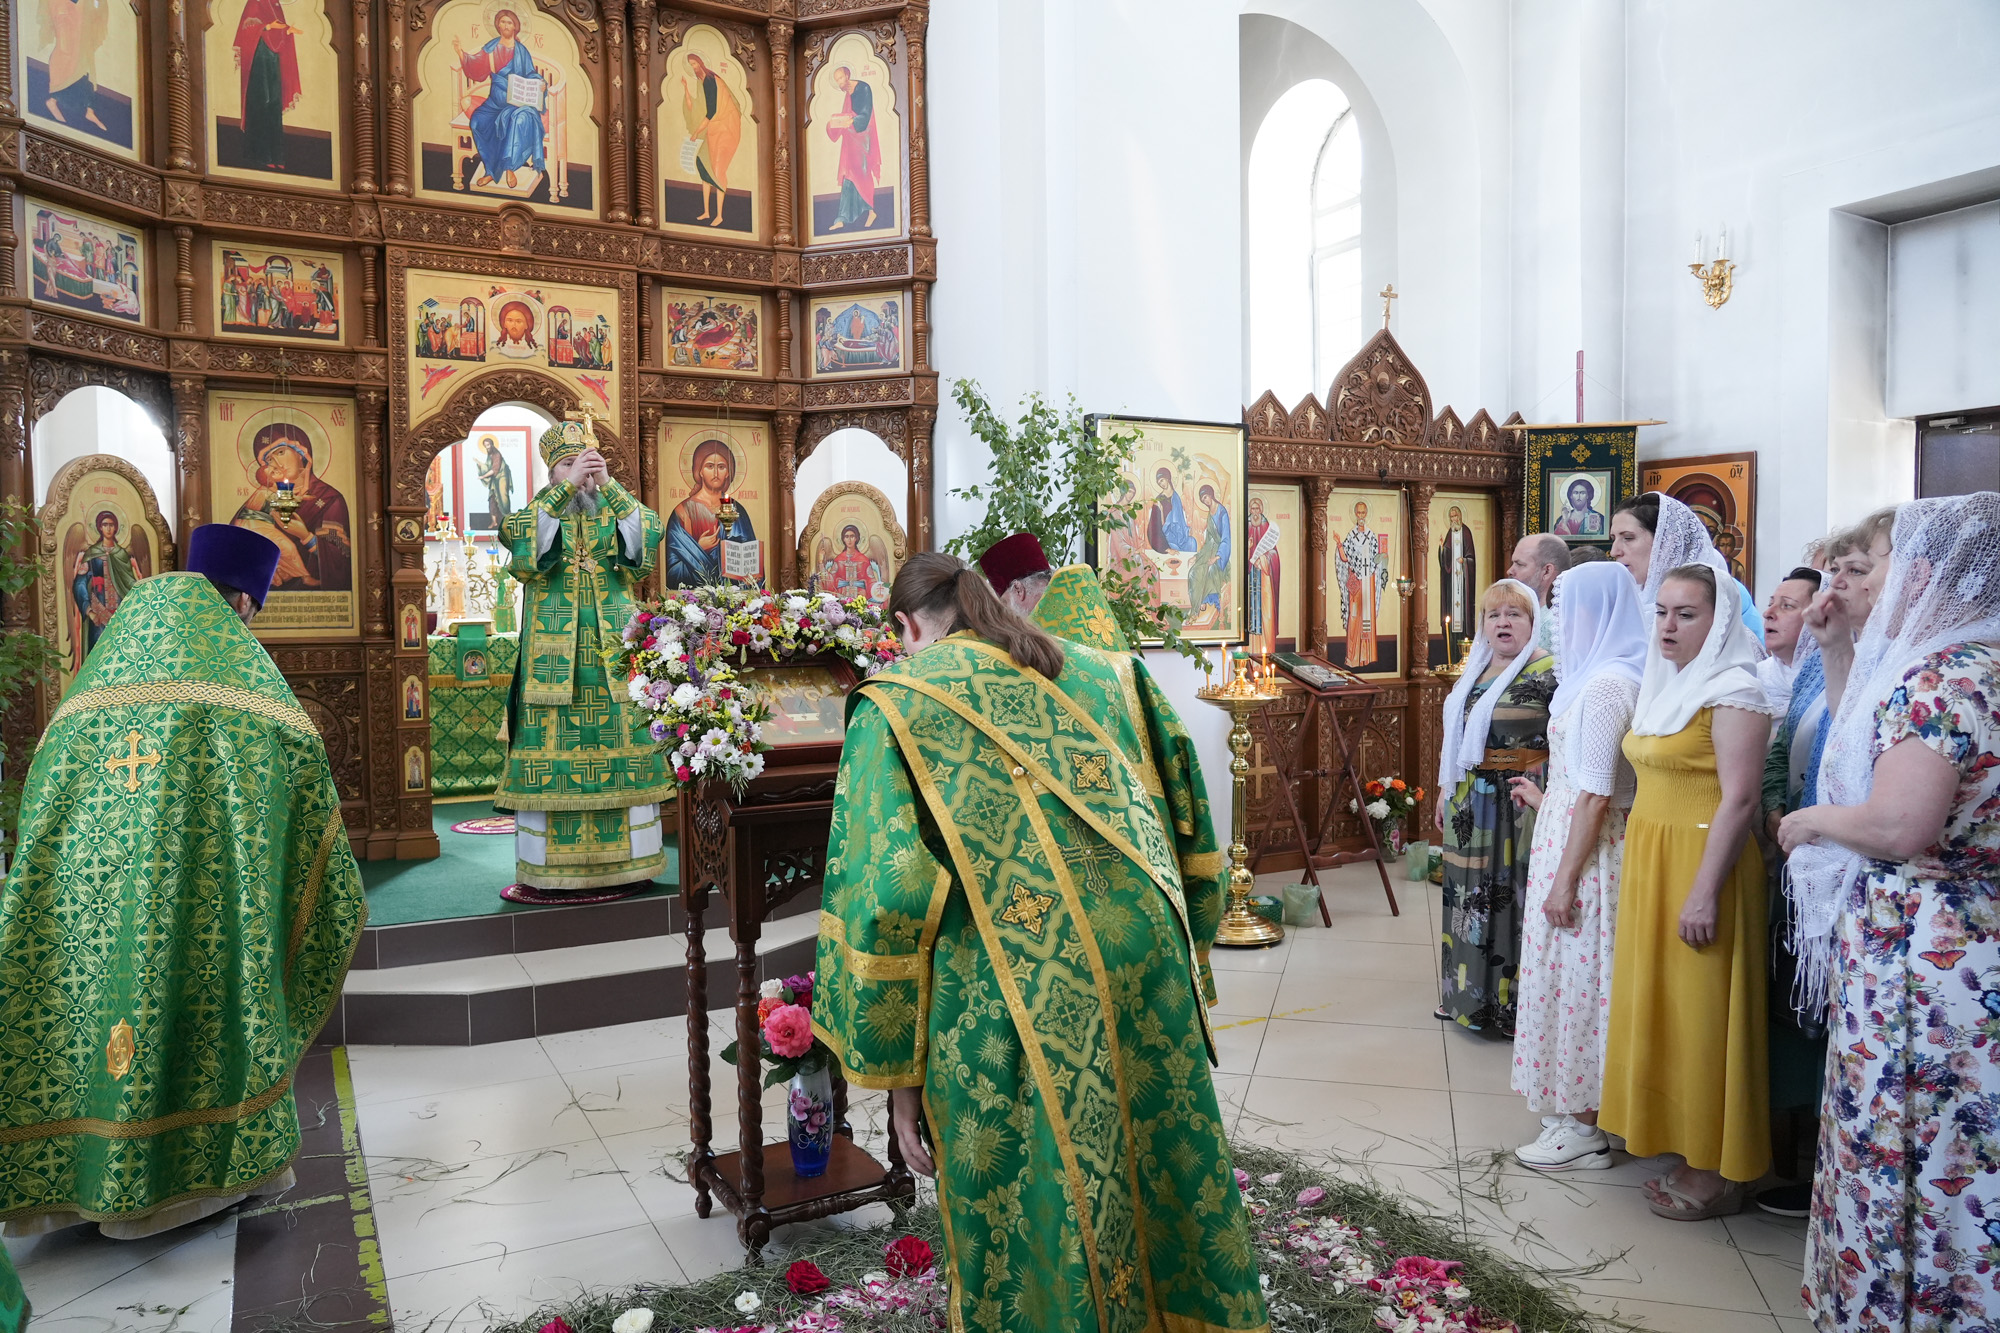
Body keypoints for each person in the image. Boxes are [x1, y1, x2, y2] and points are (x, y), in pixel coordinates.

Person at [814, 553, 1263, 1332]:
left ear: (908, 625)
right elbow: (1186, 809)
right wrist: (1190, 951)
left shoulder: (895, 703)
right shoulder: (1109, 671)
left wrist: (898, 1079)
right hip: (1144, 955)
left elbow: (890, 897)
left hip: (1017, 982)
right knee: (1159, 1158)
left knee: (1043, 1188)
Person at [0, 524, 364, 1240]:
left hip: (88, 910)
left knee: (87, 1003)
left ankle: (73, 1181)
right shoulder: (243, 691)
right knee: (195, 996)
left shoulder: (91, 689)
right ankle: (188, 1184)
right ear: (244, 603)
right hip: (196, 910)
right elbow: (301, 767)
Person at [1778, 494, 2000, 1332]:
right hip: (1976, 940)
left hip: (1923, 954)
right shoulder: (1981, 659)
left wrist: (1813, 821)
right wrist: (1835, 647)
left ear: (1927, 573)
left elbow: (1899, 823)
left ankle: (1901, 1307)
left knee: (1910, 1130)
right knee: (1964, 1141)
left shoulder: (1939, 678)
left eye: (1888, 562)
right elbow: (1860, 742)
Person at [1599, 556, 1775, 1218]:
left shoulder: (1735, 688)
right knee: (1665, 1008)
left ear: (1719, 619)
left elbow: (1741, 798)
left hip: (1705, 863)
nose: (1668, 626)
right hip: (1655, 858)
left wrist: (1704, 891)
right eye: (1662, 612)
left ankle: (1718, 1169)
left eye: (1687, 614)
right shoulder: (1666, 682)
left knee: (1703, 1016)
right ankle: (1683, 1141)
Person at [1508, 562, 1648, 1170]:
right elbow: (1583, 786)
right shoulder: (1596, 679)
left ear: (1599, 613)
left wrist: (1565, 881)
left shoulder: (1608, 686)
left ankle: (1587, 1124)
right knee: (1568, 975)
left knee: (1581, 979)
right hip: (1572, 837)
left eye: (1566, 610)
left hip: (1588, 857)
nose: (1558, 623)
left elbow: (1596, 795)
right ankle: (1578, 1107)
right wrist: (1548, 803)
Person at [496, 417, 673, 892]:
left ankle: (633, 865)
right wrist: (566, 488)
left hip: (615, 662)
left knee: (627, 756)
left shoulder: (613, 509)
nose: (581, 473)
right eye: (568, 465)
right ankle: (546, 872)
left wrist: (608, 484)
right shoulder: (537, 512)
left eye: (587, 464)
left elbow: (649, 534)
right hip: (553, 666)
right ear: (552, 473)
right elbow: (519, 543)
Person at [1434, 579, 1556, 1034]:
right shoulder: (1477, 667)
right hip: (1469, 797)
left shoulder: (1549, 670)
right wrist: (1445, 790)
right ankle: (1463, 997)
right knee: (1465, 896)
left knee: (1508, 895)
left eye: (1514, 614)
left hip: (1517, 797)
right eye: (1494, 614)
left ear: (1532, 621)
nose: (1503, 622)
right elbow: (1457, 737)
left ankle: (1510, 1007)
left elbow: (1566, 738)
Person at [1610, 491, 1761, 634]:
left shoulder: (1725, 593)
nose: (1614, 551)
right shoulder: (1626, 598)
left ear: (1665, 542)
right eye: (1613, 539)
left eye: (1628, 538)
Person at [231, 422, 353, 591]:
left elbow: (342, 562)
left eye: (281, 452)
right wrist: (260, 566)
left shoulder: (330, 500)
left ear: (301, 453)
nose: (277, 463)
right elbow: (234, 547)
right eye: (269, 460)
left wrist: (306, 536)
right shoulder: (263, 497)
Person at [453, 10, 546, 191]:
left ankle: (509, 168)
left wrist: (540, 84)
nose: (506, 26)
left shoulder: (521, 51)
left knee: (515, 121)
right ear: (497, 25)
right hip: (495, 102)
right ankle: (491, 170)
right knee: (478, 122)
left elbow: (530, 74)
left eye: (509, 23)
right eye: (502, 22)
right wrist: (460, 53)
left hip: (518, 104)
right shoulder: (491, 47)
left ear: (515, 27)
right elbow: (476, 66)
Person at [664, 438, 758, 587]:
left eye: (721, 467)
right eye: (709, 466)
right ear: (700, 471)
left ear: (728, 473)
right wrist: (699, 549)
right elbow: (672, 573)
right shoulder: (682, 512)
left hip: (733, 596)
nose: (715, 473)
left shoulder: (737, 510)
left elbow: (751, 561)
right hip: (693, 598)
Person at [230, 0, 302, 171]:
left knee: (274, 104)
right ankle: (261, 155)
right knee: (261, 101)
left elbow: (279, 33)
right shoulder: (255, 2)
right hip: (259, 57)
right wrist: (268, 26)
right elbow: (246, 29)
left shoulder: (275, 4)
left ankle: (277, 156)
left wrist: (288, 31)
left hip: (273, 58)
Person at [69, 506, 143, 669]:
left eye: (111, 524)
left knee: (123, 659)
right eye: (105, 524)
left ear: (116, 527)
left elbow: (129, 583)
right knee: (98, 659)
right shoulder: (92, 554)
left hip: (121, 615)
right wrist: (89, 610)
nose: (108, 528)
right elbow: (80, 583)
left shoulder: (121, 554)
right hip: (98, 614)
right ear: (99, 528)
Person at [681, 52, 742, 227]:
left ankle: (720, 215)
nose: (693, 67)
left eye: (695, 64)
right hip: (712, 129)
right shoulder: (702, 82)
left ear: (701, 63)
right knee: (703, 165)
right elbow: (696, 107)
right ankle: (707, 211)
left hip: (724, 128)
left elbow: (711, 112)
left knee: (718, 169)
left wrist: (696, 133)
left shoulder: (710, 81)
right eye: (691, 65)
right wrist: (686, 89)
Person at [1755, 567, 1820, 718]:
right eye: (1770, 604)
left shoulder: (1836, 679)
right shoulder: (1756, 676)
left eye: (1787, 606)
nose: (1767, 614)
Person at [822, 65, 880, 232]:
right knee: (848, 177)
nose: (840, 82)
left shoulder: (863, 88)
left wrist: (852, 121)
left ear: (847, 75)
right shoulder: (848, 94)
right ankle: (842, 218)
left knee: (862, 173)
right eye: (837, 80)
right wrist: (834, 124)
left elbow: (866, 115)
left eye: (841, 78)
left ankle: (871, 212)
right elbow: (845, 116)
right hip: (850, 141)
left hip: (863, 139)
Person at [1337, 500, 1391, 669]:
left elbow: (1377, 559)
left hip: (1369, 582)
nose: (1361, 516)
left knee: (1367, 618)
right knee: (1354, 618)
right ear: (1355, 514)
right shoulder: (1351, 536)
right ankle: (1353, 656)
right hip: (1356, 584)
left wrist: (1382, 558)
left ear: (1366, 514)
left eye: (1363, 513)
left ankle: (1367, 656)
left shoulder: (1371, 536)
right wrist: (1339, 545)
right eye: (1358, 513)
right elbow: (1345, 558)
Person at [1507, 532, 1571, 651]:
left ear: (1547, 571)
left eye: (1520, 564)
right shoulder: (1535, 614)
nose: (1510, 571)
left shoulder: (1553, 624)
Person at [1189, 483, 1231, 626]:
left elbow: (1226, 538)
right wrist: (1197, 556)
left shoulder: (1222, 512)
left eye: (1206, 497)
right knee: (1193, 572)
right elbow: (1208, 540)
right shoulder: (1209, 514)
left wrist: (1217, 557)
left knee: (1211, 569)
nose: (1205, 501)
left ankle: (1205, 599)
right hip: (1209, 550)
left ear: (1211, 495)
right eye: (1202, 500)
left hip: (1221, 552)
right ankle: (1198, 603)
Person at [1247, 494, 1282, 653]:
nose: (1255, 512)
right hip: (1250, 577)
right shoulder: (1246, 527)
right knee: (1249, 613)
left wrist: (1262, 560)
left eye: (1257, 509)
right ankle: (1249, 653)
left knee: (1266, 613)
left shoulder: (1268, 528)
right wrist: (1248, 548)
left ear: (1261, 510)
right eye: (1252, 509)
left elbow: (1274, 554)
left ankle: (1266, 653)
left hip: (1264, 577)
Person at [1438, 504, 1479, 630]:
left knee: (1463, 608)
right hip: (1452, 580)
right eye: (1451, 517)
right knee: (1451, 607)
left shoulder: (1466, 532)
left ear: (1460, 516)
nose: (1453, 519)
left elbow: (1472, 558)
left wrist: (1465, 561)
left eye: (1455, 516)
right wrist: (1442, 548)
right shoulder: (1450, 533)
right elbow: (1445, 558)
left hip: (1463, 579)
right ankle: (1451, 634)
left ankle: (1465, 632)